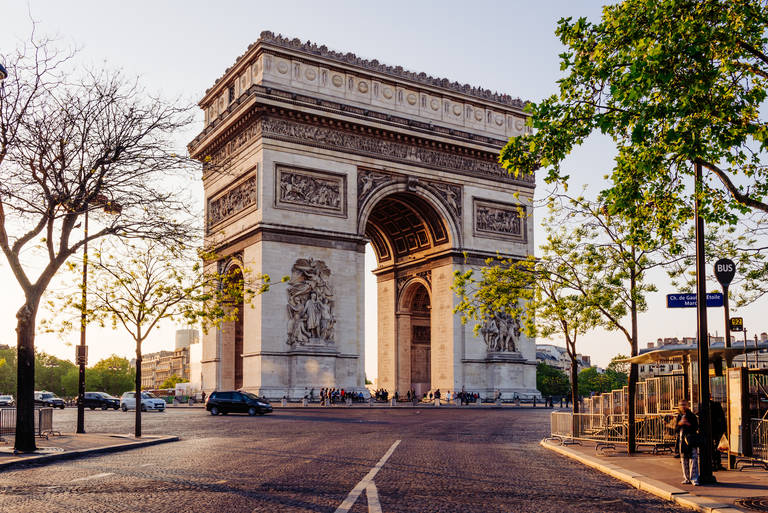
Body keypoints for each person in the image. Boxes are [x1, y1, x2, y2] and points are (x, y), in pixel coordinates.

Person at [676, 399, 700, 485]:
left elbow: (696, 427)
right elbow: (676, 429)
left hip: (691, 439)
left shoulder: (692, 416)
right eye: (681, 405)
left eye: (684, 404)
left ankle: (694, 477)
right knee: (683, 459)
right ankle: (686, 478)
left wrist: (688, 424)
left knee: (693, 459)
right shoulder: (679, 416)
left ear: (688, 405)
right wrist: (680, 423)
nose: (683, 406)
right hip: (682, 440)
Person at [709, 396, 727, 470]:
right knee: (717, 447)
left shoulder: (703, 406)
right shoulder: (717, 405)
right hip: (717, 429)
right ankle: (717, 463)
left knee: (711, 448)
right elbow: (722, 418)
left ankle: (713, 463)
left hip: (711, 430)